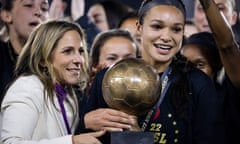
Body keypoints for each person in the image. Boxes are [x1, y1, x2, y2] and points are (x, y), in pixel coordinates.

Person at [81, 0, 219, 144]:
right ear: (139, 28)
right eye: (157, 26)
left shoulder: (198, 84)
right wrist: (85, 122)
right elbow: (83, 136)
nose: (166, 37)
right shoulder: (108, 78)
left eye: (176, 29)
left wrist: (139, 139)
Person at [0, 20, 106, 144]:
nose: (79, 60)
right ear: (43, 60)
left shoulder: (67, 95)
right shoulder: (27, 87)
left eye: (81, 51)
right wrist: (72, 142)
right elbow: (9, 143)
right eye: (68, 51)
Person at [197, 0, 240, 143]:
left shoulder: (235, 61)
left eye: (220, 8)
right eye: (201, 9)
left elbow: (226, 44)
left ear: (234, 17)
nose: (208, 16)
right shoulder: (177, 52)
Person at [0, 0, 49, 100]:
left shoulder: (56, 61)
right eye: (29, 5)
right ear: (7, 15)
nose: (38, 12)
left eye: (44, 8)